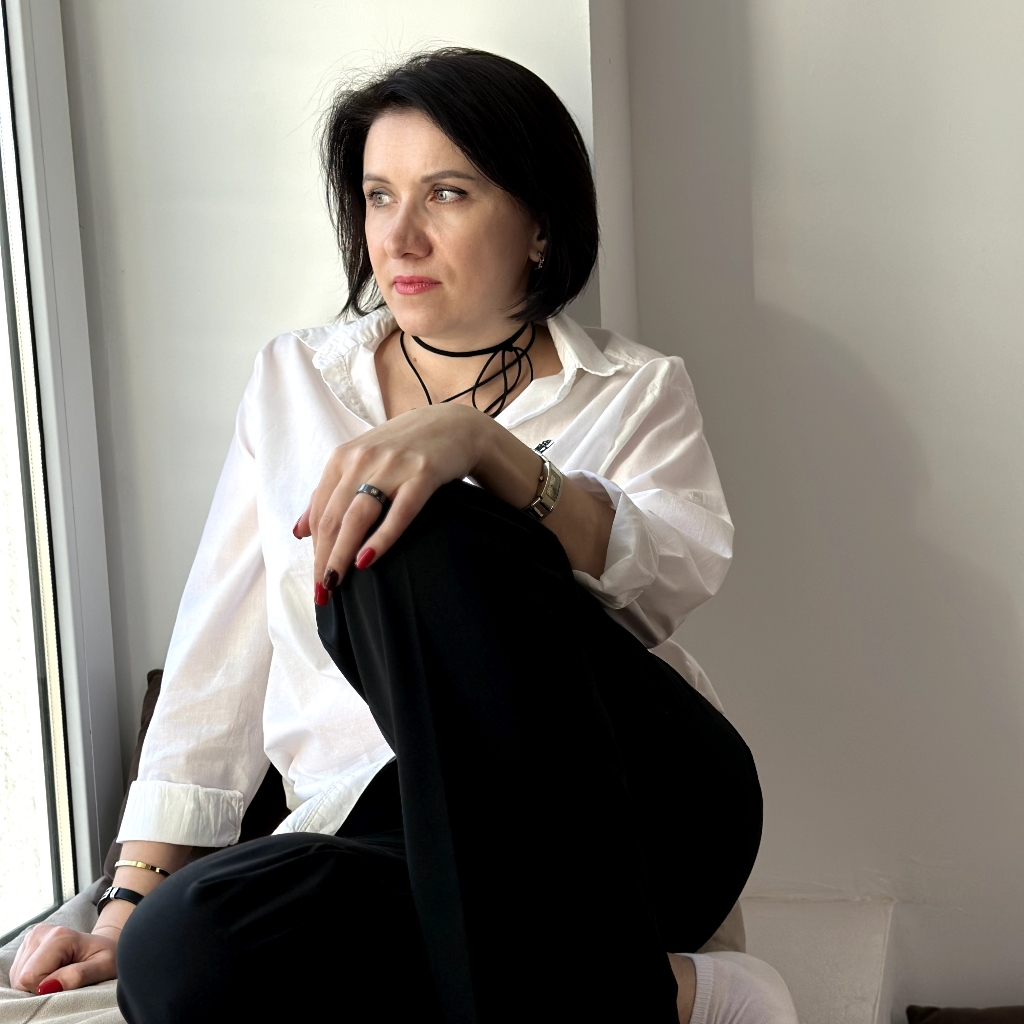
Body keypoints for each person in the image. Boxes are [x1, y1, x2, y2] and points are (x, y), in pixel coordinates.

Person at [11, 49, 768, 1022]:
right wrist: (126, 906)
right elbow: (219, 655)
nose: (399, 236)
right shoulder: (293, 380)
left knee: (408, 523)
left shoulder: (634, 388)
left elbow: (666, 580)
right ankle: (675, 995)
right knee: (180, 952)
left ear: (540, 224)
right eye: (378, 197)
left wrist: (480, 447)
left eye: (446, 193)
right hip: (386, 829)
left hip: (634, 805)